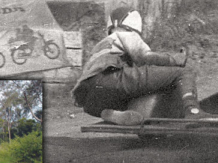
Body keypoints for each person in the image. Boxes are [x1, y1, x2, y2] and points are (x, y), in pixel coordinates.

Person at [71, 7, 205, 125]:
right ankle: (193, 111)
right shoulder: (126, 35)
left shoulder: (99, 45)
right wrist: (176, 59)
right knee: (182, 73)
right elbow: (145, 57)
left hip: (90, 98)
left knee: (130, 93)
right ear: (134, 25)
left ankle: (111, 114)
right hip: (113, 77)